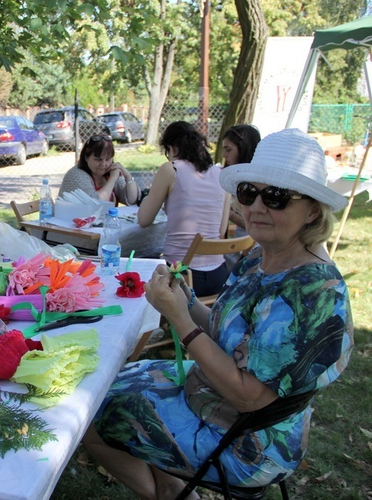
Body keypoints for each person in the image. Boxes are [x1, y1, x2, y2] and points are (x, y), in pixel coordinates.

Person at [83, 128, 353, 500]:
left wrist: (180, 320)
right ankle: (173, 489)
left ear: (311, 211)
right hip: (213, 398)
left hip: (249, 441)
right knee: (96, 386)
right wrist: (186, 298)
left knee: (88, 414)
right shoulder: (262, 256)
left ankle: (171, 494)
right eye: (248, 192)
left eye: (275, 197)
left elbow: (249, 396)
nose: (256, 207)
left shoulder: (311, 292)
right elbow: (229, 333)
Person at [138, 121, 229, 297]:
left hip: (181, 276)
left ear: (171, 148)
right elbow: (221, 229)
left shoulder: (171, 169)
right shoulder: (221, 174)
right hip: (219, 275)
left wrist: (150, 196)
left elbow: (144, 220)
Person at [58, 134, 140, 206]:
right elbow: (96, 204)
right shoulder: (76, 175)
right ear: (86, 157)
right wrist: (112, 179)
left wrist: (128, 176)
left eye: (108, 159)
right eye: (98, 159)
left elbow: (132, 200)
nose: (104, 164)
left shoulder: (111, 171)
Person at [222, 124, 261, 236]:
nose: (224, 155)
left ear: (244, 149)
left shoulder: (256, 182)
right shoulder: (235, 177)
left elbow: (253, 226)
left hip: (248, 246)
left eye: (228, 150)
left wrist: (226, 212)